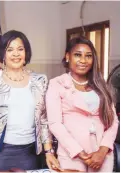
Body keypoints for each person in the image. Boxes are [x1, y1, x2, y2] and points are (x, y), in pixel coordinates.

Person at [0, 30, 59, 172]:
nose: (16, 54)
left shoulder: (40, 80)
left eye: (20, 49)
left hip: (30, 153)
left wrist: (49, 152)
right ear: (3, 55)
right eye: (10, 50)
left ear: (26, 52)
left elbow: (43, 120)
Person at [46, 36, 119, 172]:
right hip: (71, 154)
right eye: (78, 55)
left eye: (88, 56)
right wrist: (80, 153)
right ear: (68, 56)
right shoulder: (57, 84)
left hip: (102, 156)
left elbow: (113, 121)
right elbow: (55, 123)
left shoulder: (100, 84)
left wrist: (103, 150)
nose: (83, 60)